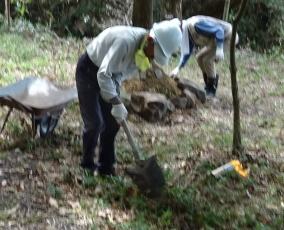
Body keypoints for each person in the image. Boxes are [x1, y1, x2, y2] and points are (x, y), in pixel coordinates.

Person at [75, 18, 182, 177]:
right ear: (151, 41)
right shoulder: (125, 42)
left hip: (109, 75)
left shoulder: (142, 53)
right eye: (156, 53)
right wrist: (115, 100)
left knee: (112, 123)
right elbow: (103, 74)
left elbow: (119, 75)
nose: (153, 58)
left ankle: (106, 166)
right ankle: (87, 165)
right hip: (89, 70)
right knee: (95, 122)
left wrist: (114, 96)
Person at [169, 15, 236, 98]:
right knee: (199, 57)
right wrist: (178, 67)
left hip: (228, 36)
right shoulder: (187, 32)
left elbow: (219, 31)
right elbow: (187, 52)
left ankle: (211, 89)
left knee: (207, 60)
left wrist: (219, 48)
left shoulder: (195, 25)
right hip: (215, 40)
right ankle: (208, 84)